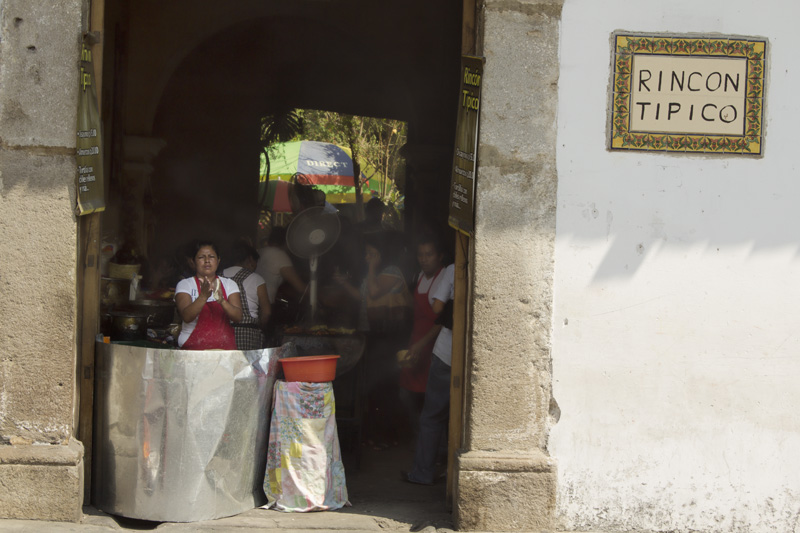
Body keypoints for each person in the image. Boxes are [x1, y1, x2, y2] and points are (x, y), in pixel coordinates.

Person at [334, 232, 411, 448]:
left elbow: (375, 293)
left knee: (383, 387)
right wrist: (344, 284)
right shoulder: (375, 274)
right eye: (366, 254)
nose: (367, 257)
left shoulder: (391, 272)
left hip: (388, 338)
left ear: (381, 254)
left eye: (372, 253)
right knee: (375, 387)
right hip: (373, 335)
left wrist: (371, 268)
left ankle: (387, 436)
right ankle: (377, 435)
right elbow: (363, 297)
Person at [403, 263, 455, 485]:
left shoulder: (453, 269)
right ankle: (450, 470)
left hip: (446, 353)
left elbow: (437, 307)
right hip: (468, 356)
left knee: (433, 416)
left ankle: (422, 473)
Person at [399, 234, 451, 436]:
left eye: (429, 254)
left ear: (440, 256)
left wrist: (421, 344)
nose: (424, 259)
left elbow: (442, 321)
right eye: (420, 255)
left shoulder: (444, 278)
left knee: (432, 399)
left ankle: (431, 443)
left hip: (434, 348)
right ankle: (419, 437)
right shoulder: (418, 276)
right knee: (406, 394)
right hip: (416, 343)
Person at [175, 241, 243, 350]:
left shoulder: (229, 284)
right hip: (192, 350)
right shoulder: (185, 284)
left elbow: (238, 317)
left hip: (224, 351)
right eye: (201, 257)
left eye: (211, 256)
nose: (207, 260)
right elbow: (186, 317)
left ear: (218, 260)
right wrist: (203, 297)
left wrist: (222, 301)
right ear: (193, 261)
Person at [222, 241, 270, 350]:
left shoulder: (217, 277)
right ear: (250, 259)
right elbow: (266, 312)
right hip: (248, 335)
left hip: (222, 333)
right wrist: (259, 327)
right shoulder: (257, 279)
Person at [255, 227, 307, 305]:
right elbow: (300, 287)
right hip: (264, 305)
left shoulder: (260, 251)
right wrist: (319, 294)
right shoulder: (280, 255)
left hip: (253, 302)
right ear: (287, 242)